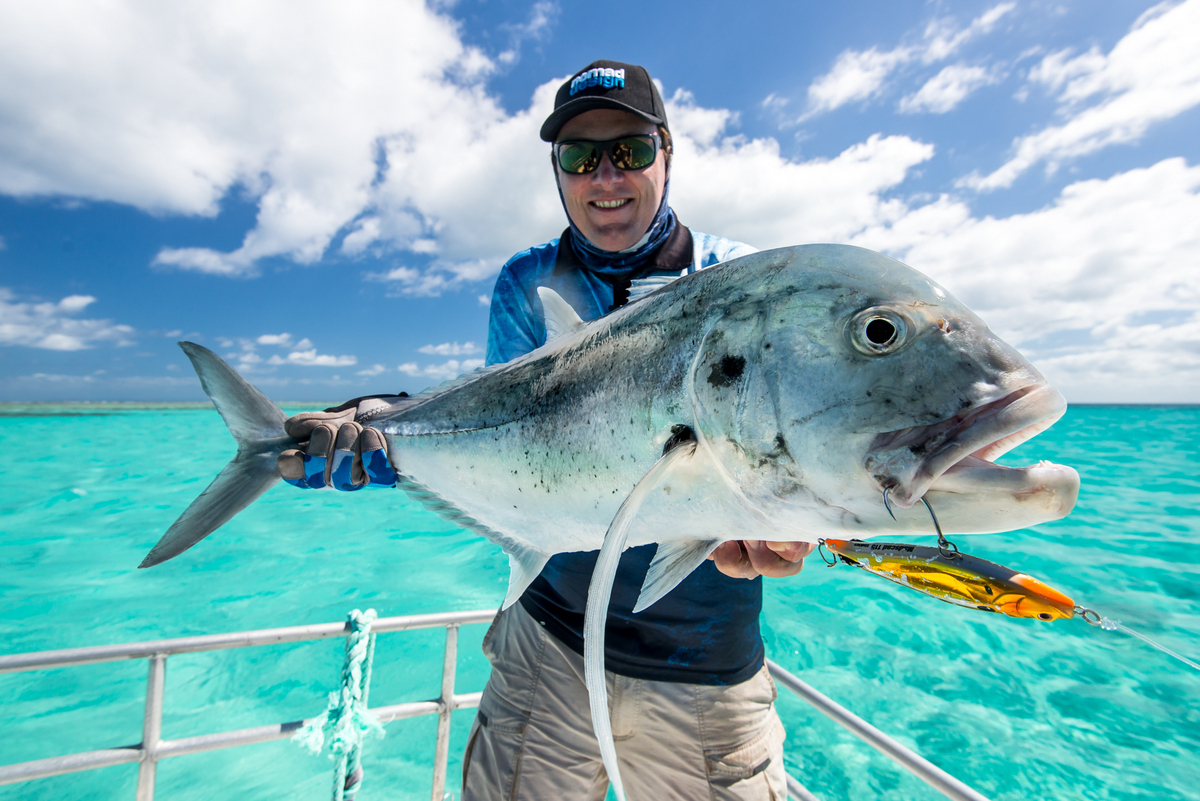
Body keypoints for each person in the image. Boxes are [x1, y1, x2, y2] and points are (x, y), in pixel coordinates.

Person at [279, 60, 814, 800]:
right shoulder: (528, 282)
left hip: (706, 676)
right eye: (577, 156)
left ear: (668, 151)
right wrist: (377, 417)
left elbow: (799, 439)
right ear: (557, 170)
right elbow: (505, 422)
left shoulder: (743, 282)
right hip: (549, 647)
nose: (605, 179)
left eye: (627, 150)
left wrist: (802, 513)